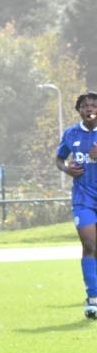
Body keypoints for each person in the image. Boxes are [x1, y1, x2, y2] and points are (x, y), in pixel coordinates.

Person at [55, 91, 97, 319]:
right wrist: (66, 169)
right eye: (85, 106)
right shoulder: (71, 133)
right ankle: (93, 299)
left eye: (93, 105)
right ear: (79, 110)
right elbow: (59, 158)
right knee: (90, 245)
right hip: (83, 199)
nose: (90, 109)